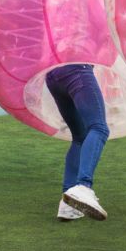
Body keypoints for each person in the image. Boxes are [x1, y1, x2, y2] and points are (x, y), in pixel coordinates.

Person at [46, 63, 110, 221]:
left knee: (80, 137)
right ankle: (83, 186)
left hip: (53, 76)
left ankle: (68, 204)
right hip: (77, 71)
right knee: (99, 128)